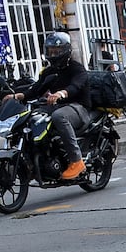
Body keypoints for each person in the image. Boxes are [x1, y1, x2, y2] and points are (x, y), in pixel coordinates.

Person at [9, 31, 93, 180]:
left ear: (66, 51)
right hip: (57, 106)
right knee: (31, 116)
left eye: (57, 51)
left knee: (58, 116)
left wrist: (61, 93)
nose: (53, 55)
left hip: (78, 108)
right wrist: (18, 96)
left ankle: (76, 160)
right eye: (50, 51)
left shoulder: (77, 69)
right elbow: (36, 89)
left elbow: (76, 86)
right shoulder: (50, 71)